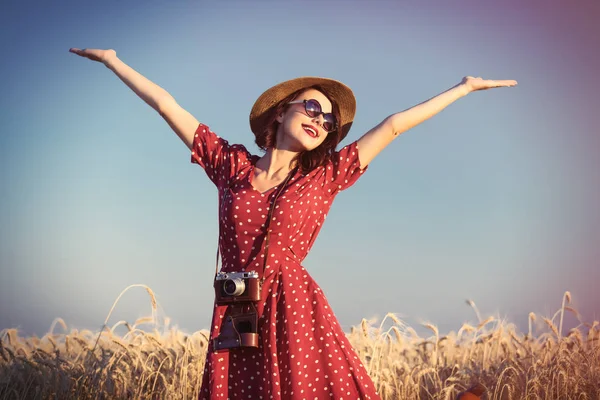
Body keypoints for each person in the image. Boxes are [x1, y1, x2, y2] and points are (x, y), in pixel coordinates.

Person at [69, 47, 517, 399]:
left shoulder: (326, 175)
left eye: (328, 121)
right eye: (312, 108)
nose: (320, 121)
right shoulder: (231, 165)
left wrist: (462, 88)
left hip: (294, 308)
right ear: (281, 112)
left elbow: (395, 124)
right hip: (237, 306)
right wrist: (113, 62)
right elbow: (167, 106)